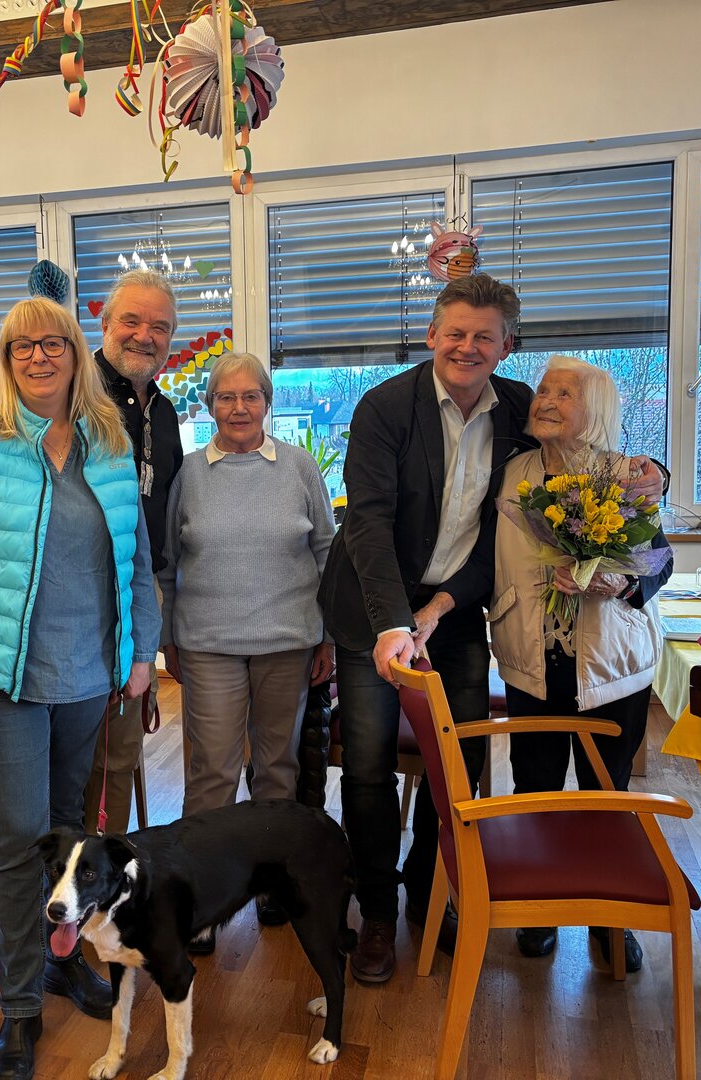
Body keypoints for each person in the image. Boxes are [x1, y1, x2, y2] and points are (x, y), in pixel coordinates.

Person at [317, 273, 667, 985]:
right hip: (372, 610)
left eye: (484, 336)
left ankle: (432, 892)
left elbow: (576, 464)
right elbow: (369, 526)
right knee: (369, 763)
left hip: (455, 611)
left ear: (508, 345)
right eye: (455, 333)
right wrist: (393, 625)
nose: (467, 347)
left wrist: (654, 470)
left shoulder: (519, 409)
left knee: (461, 766)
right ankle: (379, 914)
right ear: (431, 336)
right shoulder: (385, 408)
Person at [0, 297, 160, 1080]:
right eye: (21, 346)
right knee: (20, 838)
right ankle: (20, 1007)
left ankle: (63, 962)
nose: (38, 357)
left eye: (52, 343)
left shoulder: (110, 441)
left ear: (75, 351)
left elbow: (137, 562)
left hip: (90, 674)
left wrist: (142, 654)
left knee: (68, 834)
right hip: (7, 681)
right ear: (6, 357)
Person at [491, 354, 673, 972]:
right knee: (534, 785)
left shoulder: (627, 476)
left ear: (592, 410)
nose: (546, 400)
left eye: (564, 393)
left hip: (611, 660)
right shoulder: (512, 471)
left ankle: (608, 914)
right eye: (544, 390)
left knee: (606, 790)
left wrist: (614, 584)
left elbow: (657, 563)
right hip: (529, 650)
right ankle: (540, 908)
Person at [158, 350, 334, 948]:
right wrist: (166, 640)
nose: (239, 408)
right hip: (208, 642)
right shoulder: (189, 474)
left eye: (250, 396)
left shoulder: (299, 468)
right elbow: (166, 562)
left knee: (277, 768)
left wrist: (328, 635)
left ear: (267, 403)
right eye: (225, 398)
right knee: (212, 771)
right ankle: (196, 896)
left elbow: (326, 554)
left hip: (288, 641)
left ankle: (269, 881)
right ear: (208, 407)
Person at [82, 269, 182, 835]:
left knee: (118, 750)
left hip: (138, 598)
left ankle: (106, 879)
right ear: (104, 324)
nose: (144, 335)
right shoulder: (74, 396)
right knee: (76, 755)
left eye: (159, 326)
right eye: (131, 320)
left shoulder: (165, 414)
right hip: (78, 601)